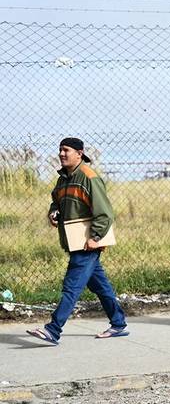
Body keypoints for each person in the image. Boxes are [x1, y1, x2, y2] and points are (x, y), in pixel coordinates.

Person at [26, 137, 127, 345]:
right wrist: (54, 211)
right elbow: (56, 201)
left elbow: (105, 214)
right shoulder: (63, 178)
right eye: (60, 150)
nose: (62, 154)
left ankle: (53, 330)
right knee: (100, 286)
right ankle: (118, 323)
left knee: (71, 287)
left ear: (79, 153)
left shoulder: (89, 177)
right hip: (73, 242)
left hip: (87, 244)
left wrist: (95, 237)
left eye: (66, 150)